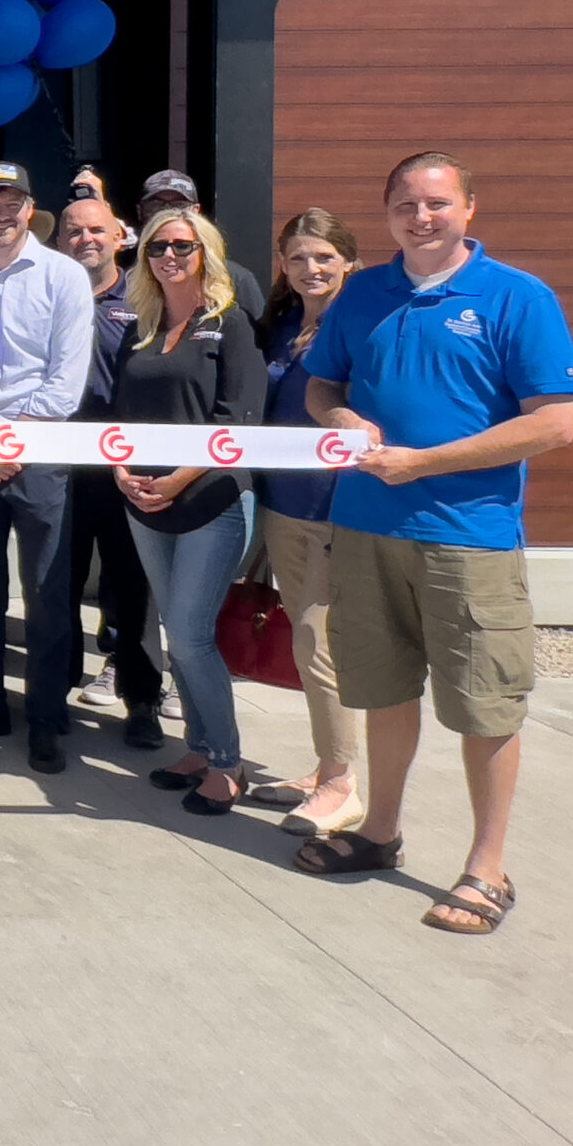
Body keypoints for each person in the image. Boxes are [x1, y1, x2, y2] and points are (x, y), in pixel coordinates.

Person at [293, 153, 573, 937]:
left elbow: (555, 422)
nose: (421, 217)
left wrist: (425, 463)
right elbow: (323, 384)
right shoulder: (364, 296)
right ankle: (379, 831)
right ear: (386, 214)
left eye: (437, 203)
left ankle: (488, 867)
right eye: (405, 205)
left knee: (483, 705)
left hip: (468, 538)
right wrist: (339, 418)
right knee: (383, 690)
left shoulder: (517, 297)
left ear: (469, 209)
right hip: (365, 530)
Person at [107, 206, 263, 816]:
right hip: (144, 501)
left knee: (193, 638)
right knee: (177, 636)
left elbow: (238, 418)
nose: (168, 256)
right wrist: (123, 470)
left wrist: (177, 479)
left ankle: (227, 764)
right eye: (156, 247)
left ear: (206, 252)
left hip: (212, 500)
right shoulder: (140, 326)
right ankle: (198, 749)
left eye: (182, 245)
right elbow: (120, 413)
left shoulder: (231, 322)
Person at [0, 162, 96, 773]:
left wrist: (11, 446)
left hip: (38, 456)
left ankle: (45, 719)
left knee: (46, 593)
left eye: (12, 202)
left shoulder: (64, 277)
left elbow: (66, 382)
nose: (0, 213)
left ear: (30, 210)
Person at [246, 207, 364, 837]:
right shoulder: (281, 323)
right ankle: (324, 769)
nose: (310, 268)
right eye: (297, 258)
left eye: (323, 256)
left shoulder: (364, 323)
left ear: (347, 259)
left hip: (336, 510)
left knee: (320, 645)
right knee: (305, 640)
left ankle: (343, 785)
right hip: (281, 505)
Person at [55, 193, 164, 744]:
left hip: (127, 463)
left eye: (96, 230)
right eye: (73, 232)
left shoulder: (147, 297)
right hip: (63, 461)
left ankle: (142, 700)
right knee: (59, 581)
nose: (85, 240)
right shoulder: (51, 292)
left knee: (133, 585)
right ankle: (54, 694)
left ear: (120, 237)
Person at [136, 171, 266, 318]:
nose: (167, 213)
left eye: (178, 205)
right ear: (140, 211)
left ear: (196, 211)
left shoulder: (236, 279)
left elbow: (258, 336)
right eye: (156, 205)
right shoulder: (131, 279)